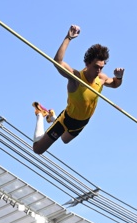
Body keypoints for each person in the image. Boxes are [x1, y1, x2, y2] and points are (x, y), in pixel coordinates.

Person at [33, 24, 124, 154]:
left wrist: (119, 77)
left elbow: (115, 84)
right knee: (38, 149)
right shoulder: (76, 78)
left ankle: (51, 116)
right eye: (96, 67)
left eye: (101, 67)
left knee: (65, 140)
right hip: (66, 121)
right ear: (87, 64)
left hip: (82, 122)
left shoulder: (101, 78)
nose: (99, 70)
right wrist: (68, 37)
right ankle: (41, 115)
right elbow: (57, 62)